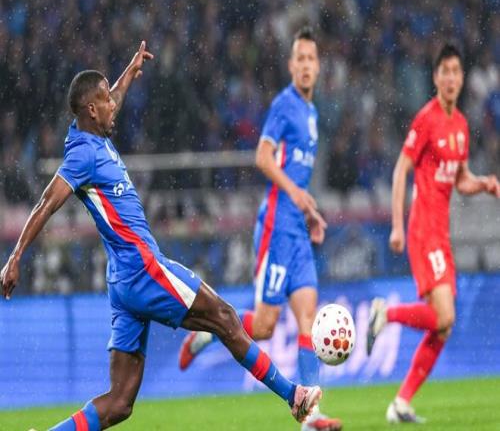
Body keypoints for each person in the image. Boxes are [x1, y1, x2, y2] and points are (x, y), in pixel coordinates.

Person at [0, 41, 325, 431]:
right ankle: (294, 396)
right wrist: (15, 257)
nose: (113, 105)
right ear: (91, 110)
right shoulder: (82, 155)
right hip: (143, 268)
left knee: (120, 403)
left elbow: (113, 97)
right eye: (105, 101)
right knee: (225, 317)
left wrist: (130, 71)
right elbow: (45, 203)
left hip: (122, 283)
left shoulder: (92, 135)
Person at [178, 27, 342, 431]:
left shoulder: (312, 114)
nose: (306, 65)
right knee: (266, 326)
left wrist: (309, 211)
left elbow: (295, 176)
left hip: (298, 230)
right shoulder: (285, 105)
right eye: (300, 58)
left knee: (308, 319)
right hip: (276, 226)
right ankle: (209, 333)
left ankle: (310, 415)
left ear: (319, 66)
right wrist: (296, 195)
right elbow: (263, 157)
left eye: (311, 58)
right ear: (291, 65)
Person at [366, 44, 500, 423]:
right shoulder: (426, 119)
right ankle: (385, 313)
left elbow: (461, 180)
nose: (451, 78)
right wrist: (397, 224)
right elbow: (400, 170)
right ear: (436, 77)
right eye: (445, 71)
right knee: (444, 316)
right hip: (423, 229)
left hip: (441, 233)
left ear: (462, 77)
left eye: (457, 71)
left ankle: (401, 403)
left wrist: (484, 184)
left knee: (443, 326)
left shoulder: (461, 125)